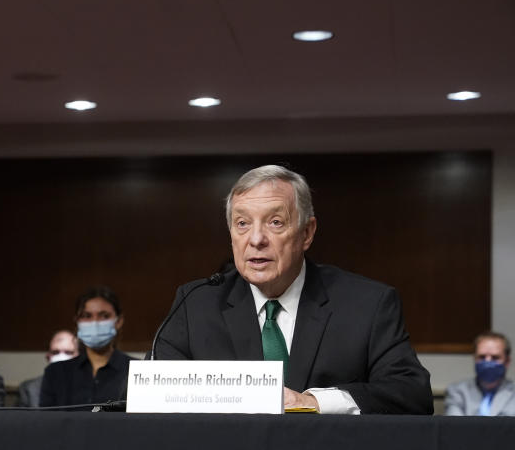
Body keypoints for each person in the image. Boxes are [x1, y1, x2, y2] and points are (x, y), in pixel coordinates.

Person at [152, 165, 433, 415]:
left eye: (275, 222)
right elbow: (148, 397)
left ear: (307, 233)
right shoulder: (195, 304)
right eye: (242, 223)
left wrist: (315, 402)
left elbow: (411, 393)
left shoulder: (367, 304)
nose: (257, 239)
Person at [40, 287, 133, 407]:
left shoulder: (137, 372)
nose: (95, 322)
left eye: (104, 316)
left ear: (119, 321)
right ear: (77, 321)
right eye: (87, 316)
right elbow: (46, 422)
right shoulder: (56, 373)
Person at [445, 331, 515, 415]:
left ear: (507, 361)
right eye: (482, 357)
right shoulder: (457, 391)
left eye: (495, 357)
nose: (487, 361)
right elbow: (454, 425)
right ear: (475, 359)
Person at [17, 330, 78, 407]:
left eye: (68, 352)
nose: (61, 356)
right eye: (55, 352)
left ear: (78, 356)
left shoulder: (89, 386)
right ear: (48, 356)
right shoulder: (29, 388)